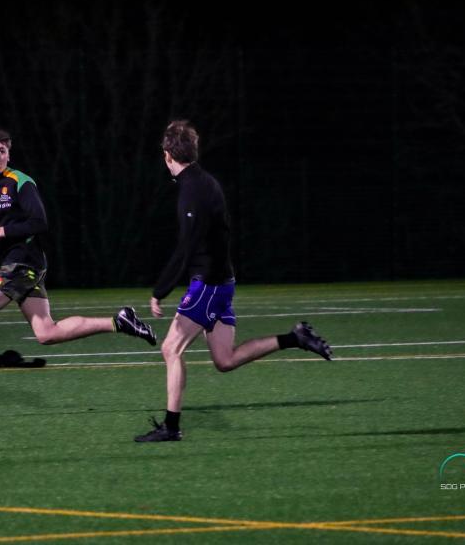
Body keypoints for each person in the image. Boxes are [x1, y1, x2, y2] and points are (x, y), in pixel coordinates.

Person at [0, 127, 157, 415]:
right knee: (47, 333)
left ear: (8, 154)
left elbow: (40, 222)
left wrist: (1, 231)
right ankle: (120, 322)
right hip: (18, 263)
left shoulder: (19, 183)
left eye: (1, 151)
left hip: (23, 261)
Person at [134, 120, 333, 442]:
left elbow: (185, 247)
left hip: (209, 284)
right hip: (222, 281)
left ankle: (171, 427)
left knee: (171, 349)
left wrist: (160, 291)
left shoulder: (191, 190)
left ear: (168, 155)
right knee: (225, 361)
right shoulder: (205, 182)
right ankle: (295, 338)